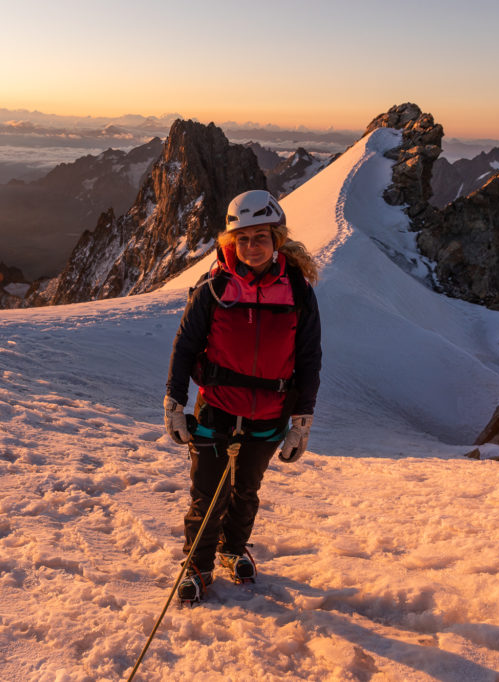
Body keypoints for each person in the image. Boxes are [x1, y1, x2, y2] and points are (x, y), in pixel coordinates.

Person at [164, 189, 322, 603]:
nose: (252, 247)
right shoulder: (214, 287)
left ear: (277, 240)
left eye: (261, 238)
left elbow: (308, 359)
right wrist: (174, 403)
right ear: (231, 242)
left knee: (246, 490)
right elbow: (184, 347)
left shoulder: (298, 293)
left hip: (270, 412)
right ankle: (197, 564)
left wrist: (302, 421)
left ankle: (233, 549)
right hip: (216, 408)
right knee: (206, 492)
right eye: (244, 239)